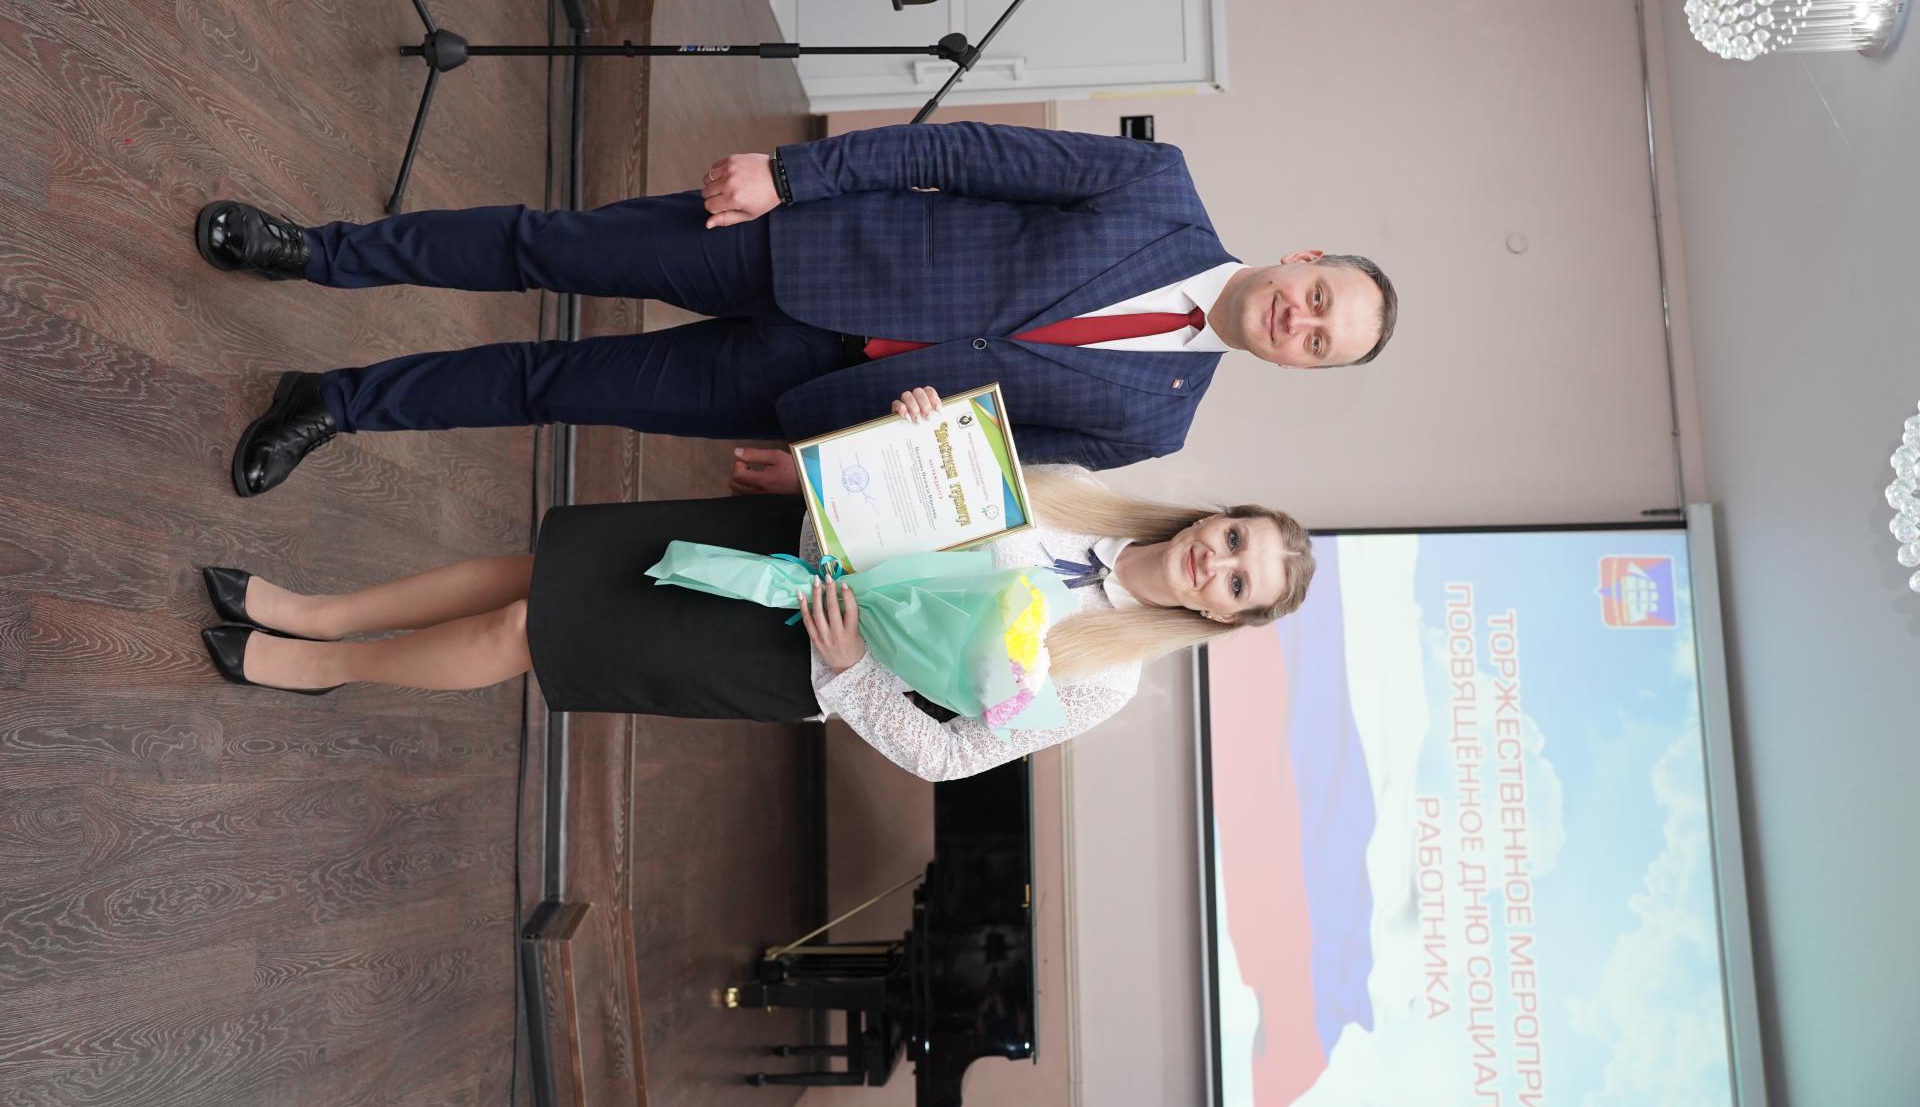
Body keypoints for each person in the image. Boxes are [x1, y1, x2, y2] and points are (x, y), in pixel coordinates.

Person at [197, 122, 1398, 496]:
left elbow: (982, 459)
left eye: (1320, 341)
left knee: (555, 387)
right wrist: (793, 173)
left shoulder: (1157, 424)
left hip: (811, 391)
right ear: (1303, 257)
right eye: (1319, 296)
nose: (1301, 319)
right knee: (544, 247)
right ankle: (316, 254)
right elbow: (963, 152)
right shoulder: (1156, 185)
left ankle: (336, 404)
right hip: (797, 244)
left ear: (1305, 369)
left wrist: (831, 470)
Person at [197, 390, 1316, 782]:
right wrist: (896, 434)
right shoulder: (1073, 491)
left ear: (1220, 616)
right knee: (543, 574)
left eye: (1237, 583)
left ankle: (320, 666)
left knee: (528, 631)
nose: (1217, 562)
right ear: (1211, 518)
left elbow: (948, 754)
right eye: (1234, 539)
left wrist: (852, 667)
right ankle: (317, 610)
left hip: (793, 651)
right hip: (784, 540)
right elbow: (918, 495)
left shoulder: (1106, 682)